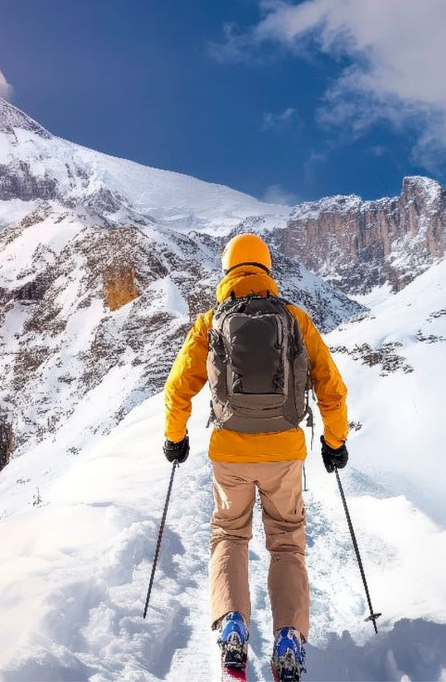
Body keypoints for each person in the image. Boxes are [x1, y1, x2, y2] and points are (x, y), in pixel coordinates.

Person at [162, 233, 349, 682]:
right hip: (284, 451)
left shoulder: (210, 322)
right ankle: (288, 637)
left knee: (229, 534)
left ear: (228, 271)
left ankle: (231, 622)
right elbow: (332, 388)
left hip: (230, 450)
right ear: (267, 269)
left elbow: (177, 389)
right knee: (286, 541)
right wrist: (334, 442)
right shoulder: (295, 319)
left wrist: (175, 438)